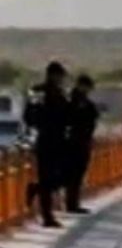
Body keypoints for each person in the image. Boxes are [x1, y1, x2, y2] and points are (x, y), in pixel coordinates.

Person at [23, 62, 70, 228]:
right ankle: (47, 217)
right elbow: (29, 116)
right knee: (47, 177)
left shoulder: (60, 93)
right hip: (45, 139)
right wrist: (41, 125)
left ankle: (35, 188)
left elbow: (67, 115)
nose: (61, 79)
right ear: (52, 75)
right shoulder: (39, 92)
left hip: (59, 139)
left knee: (63, 176)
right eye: (59, 76)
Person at [64, 74, 99, 214]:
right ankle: (71, 203)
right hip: (75, 141)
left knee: (77, 173)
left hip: (81, 140)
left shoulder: (83, 102)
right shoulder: (73, 101)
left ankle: (73, 202)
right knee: (74, 173)